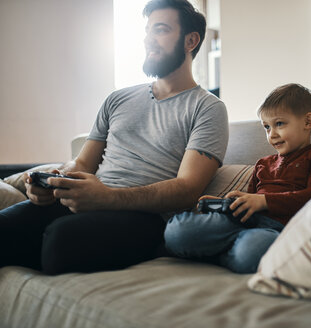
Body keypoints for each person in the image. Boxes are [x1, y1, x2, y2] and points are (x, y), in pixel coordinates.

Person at [0, 0, 228, 275]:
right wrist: (56, 181)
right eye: (147, 31)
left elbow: (188, 189)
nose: (148, 40)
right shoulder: (117, 99)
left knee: (60, 242)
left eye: (161, 30)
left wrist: (108, 197)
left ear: (190, 40)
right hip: (86, 201)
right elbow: (82, 164)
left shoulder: (208, 108)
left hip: (143, 218)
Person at [165, 83, 311, 273]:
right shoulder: (263, 163)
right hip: (244, 222)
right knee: (177, 231)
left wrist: (264, 201)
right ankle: (226, 249)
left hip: (277, 228)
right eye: (266, 127)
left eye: (279, 124)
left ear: (307, 122)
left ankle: (218, 253)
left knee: (250, 253)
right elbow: (249, 200)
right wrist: (225, 204)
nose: (272, 135)